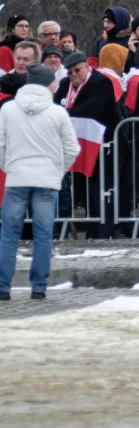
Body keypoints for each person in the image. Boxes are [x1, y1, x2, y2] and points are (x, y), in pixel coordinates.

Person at [0, 64, 80, 301]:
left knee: (8, 234)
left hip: (16, 178)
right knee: (43, 234)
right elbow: (72, 148)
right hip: (47, 180)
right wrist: (58, 171)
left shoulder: (8, 110)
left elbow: (1, 144)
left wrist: (8, 167)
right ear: (48, 84)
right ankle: (38, 287)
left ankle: (3, 287)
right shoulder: (57, 112)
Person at [56, 51, 120, 237]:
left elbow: (94, 108)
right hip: (81, 144)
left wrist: (65, 113)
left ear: (86, 67)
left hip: (104, 144)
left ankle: (103, 231)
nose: (74, 75)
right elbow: (56, 103)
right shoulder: (65, 84)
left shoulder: (101, 82)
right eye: (70, 72)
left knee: (101, 188)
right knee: (85, 190)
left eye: (77, 70)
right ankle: (92, 228)